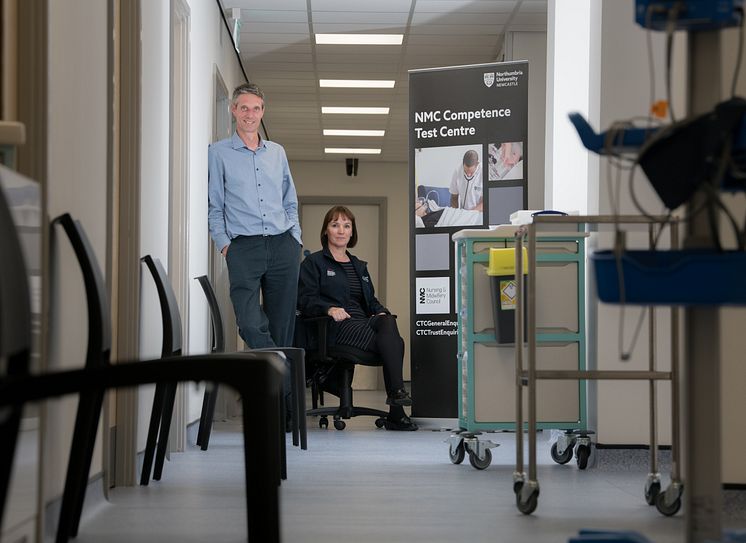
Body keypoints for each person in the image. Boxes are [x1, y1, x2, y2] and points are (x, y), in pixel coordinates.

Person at [298, 206, 418, 431]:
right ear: (326, 231)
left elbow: (370, 301)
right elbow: (304, 299)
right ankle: (396, 410)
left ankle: (396, 396)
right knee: (395, 344)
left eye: (346, 226)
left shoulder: (359, 266)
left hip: (362, 322)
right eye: (335, 225)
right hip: (335, 327)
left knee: (388, 320)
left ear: (352, 232)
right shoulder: (314, 263)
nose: (341, 230)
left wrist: (381, 310)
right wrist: (329, 308)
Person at [208, 82, 302, 351]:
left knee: (283, 327)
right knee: (249, 323)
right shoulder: (218, 153)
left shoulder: (277, 153)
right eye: (244, 108)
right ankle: (279, 370)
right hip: (243, 247)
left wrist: (295, 238)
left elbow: (289, 200)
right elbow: (215, 205)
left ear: (263, 111)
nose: (250, 114)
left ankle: (277, 391)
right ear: (233, 110)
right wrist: (225, 245)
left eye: (256, 108)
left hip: (283, 244)